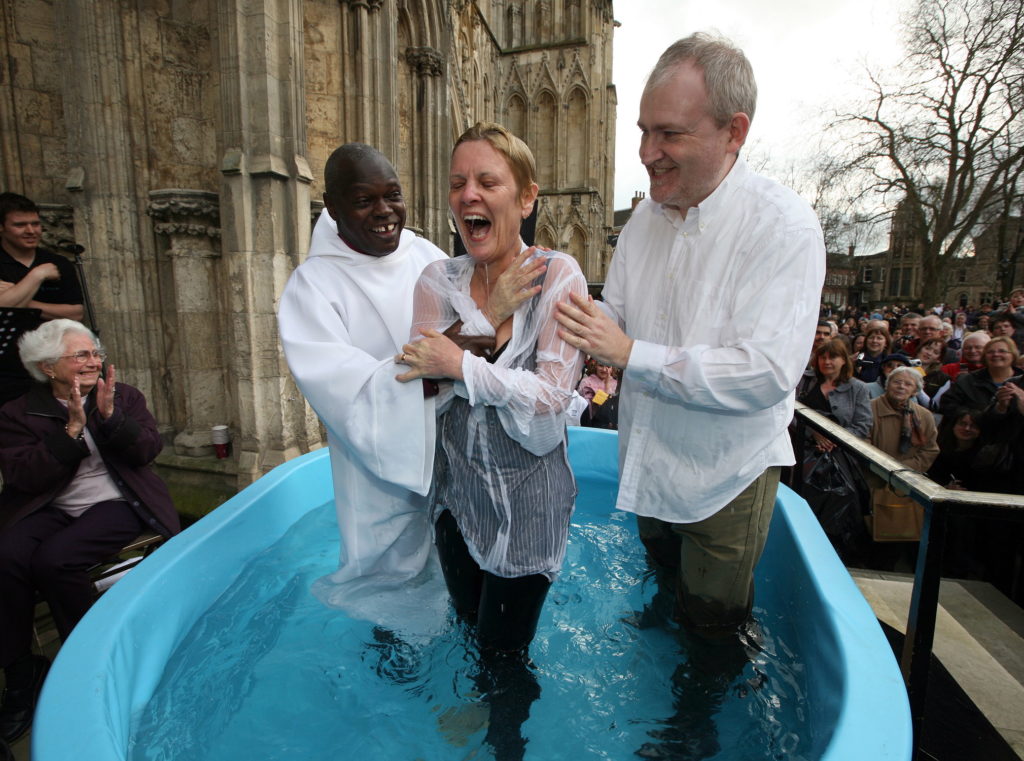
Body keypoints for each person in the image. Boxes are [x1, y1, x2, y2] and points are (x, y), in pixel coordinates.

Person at [553, 33, 824, 760]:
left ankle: (695, 724)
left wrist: (629, 352)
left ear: (734, 132)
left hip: (724, 475)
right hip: (649, 463)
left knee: (714, 622)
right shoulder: (643, 221)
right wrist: (577, 327)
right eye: (644, 130)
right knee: (667, 585)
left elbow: (765, 373)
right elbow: (623, 330)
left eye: (669, 132)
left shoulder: (784, 228)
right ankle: (674, 634)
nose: (646, 152)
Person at [278, 144, 542, 632]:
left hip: (455, 465)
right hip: (381, 483)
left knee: (462, 596)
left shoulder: (425, 254)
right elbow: (356, 396)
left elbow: (488, 346)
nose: (384, 212)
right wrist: (486, 319)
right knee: (389, 608)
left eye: (392, 195)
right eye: (364, 200)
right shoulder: (311, 289)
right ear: (332, 209)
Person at [396, 121, 586, 760]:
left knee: (505, 654)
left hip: (528, 506)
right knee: (470, 630)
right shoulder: (436, 281)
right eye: (457, 183)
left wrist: (465, 358)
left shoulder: (559, 277)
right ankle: (477, 708)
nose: (468, 195)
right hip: (456, 499)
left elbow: (551, 403)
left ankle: (508, 746)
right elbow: (420, 380)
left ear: (526, 197)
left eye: (487, 181)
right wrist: (486, 317)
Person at [0, 319, 177, 744]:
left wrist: (112, 418)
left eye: (96, 353)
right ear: (46, 367)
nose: (93, 361)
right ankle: (22, 672)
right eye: (80, 355)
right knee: (6, 556)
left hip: (118, 500)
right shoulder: (17, 413)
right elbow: (24, 477)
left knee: (55, 561)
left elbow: (148, 450)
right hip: (53, 504)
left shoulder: (122, 396)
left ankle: (87, 661)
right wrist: (71, 432)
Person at [0, 193, 85, 405]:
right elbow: (4, 307)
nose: (31, 231)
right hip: (7, 366)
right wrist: (37, 276)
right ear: (1, 227)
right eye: (20, 225)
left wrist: (20, 297)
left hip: (52, 361)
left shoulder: (57, 263)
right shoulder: (44, 269)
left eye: (35, 224)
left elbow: (76, 313)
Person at [867, 366, 939, 567]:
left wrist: (904, 470)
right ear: (887, 385)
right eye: (897, 381)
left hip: (907, 485)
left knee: (897, 538)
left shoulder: (923, 416)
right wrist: (885, 468)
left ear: (916, 391)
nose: (901, 386)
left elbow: (930, 450)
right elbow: (862, 441)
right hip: (873, 481)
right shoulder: (870, 408)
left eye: (908, 384)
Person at [939, 336, 1021, 417]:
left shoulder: (1021, 380)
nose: (996, 354)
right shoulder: (966, 380)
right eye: (990, 352)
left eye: (1002, 351)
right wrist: (975, 415)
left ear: (1013, 355)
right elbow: (947, 405)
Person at [577, 360, 619, 428]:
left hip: (609, 424)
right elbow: (580, 402)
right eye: (601, 365)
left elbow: (612, 406)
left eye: (608, 367)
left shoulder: (615, 384)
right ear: (596, 366)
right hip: (589, 421)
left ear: (612, 368)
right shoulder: (586, 381)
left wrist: (607, 384)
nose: (604, 369)